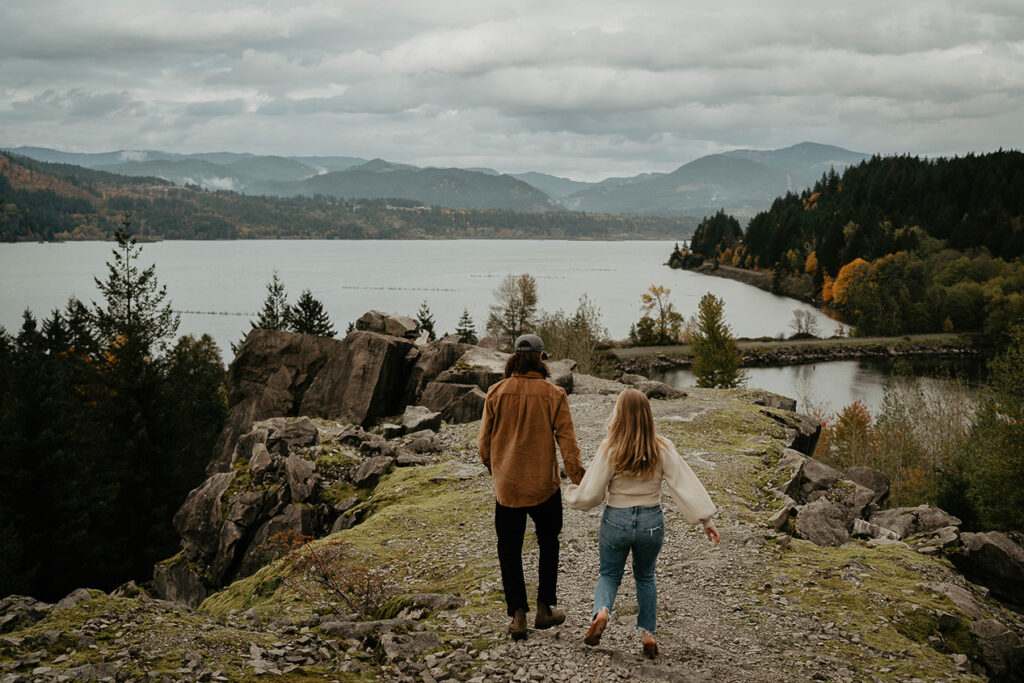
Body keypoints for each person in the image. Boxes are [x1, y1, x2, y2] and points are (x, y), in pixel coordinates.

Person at [564, 388, 719, 658]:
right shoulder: (661, 447)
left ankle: (602, 612)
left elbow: (592, 493)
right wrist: (706, 518)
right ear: (648, 415)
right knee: (645, 576)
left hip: (616, 521)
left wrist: (573, 494)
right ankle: (648, 635)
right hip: (651, 522)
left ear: (619, 414)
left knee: (609, 574)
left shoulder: (610, 447)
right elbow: (683, 484)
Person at [478, 333, 586, 641]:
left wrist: (496, 470)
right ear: (541, 359)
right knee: (549, 543)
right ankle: (544, 608)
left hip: (507, 489)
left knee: (509, 550)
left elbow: (483, 446)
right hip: (544, 487)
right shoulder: (554, 394)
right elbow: (568, 443)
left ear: (514, 358)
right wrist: (580, 479)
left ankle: (517, 617)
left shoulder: (496, 392)